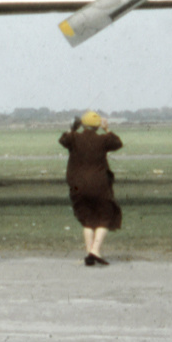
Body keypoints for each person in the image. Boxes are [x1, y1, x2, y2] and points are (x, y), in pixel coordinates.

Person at [60, 111, 123, 266]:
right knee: (105, 216)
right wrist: (107, 129)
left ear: (83, 124)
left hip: (77, 184)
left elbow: (63, 139)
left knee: (87, 219)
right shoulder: (103, 140)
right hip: (99, 184)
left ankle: (89, 253)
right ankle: (95, 250)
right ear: (97, 126)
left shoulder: (74, 138)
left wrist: (72, 128)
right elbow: (117, 143)